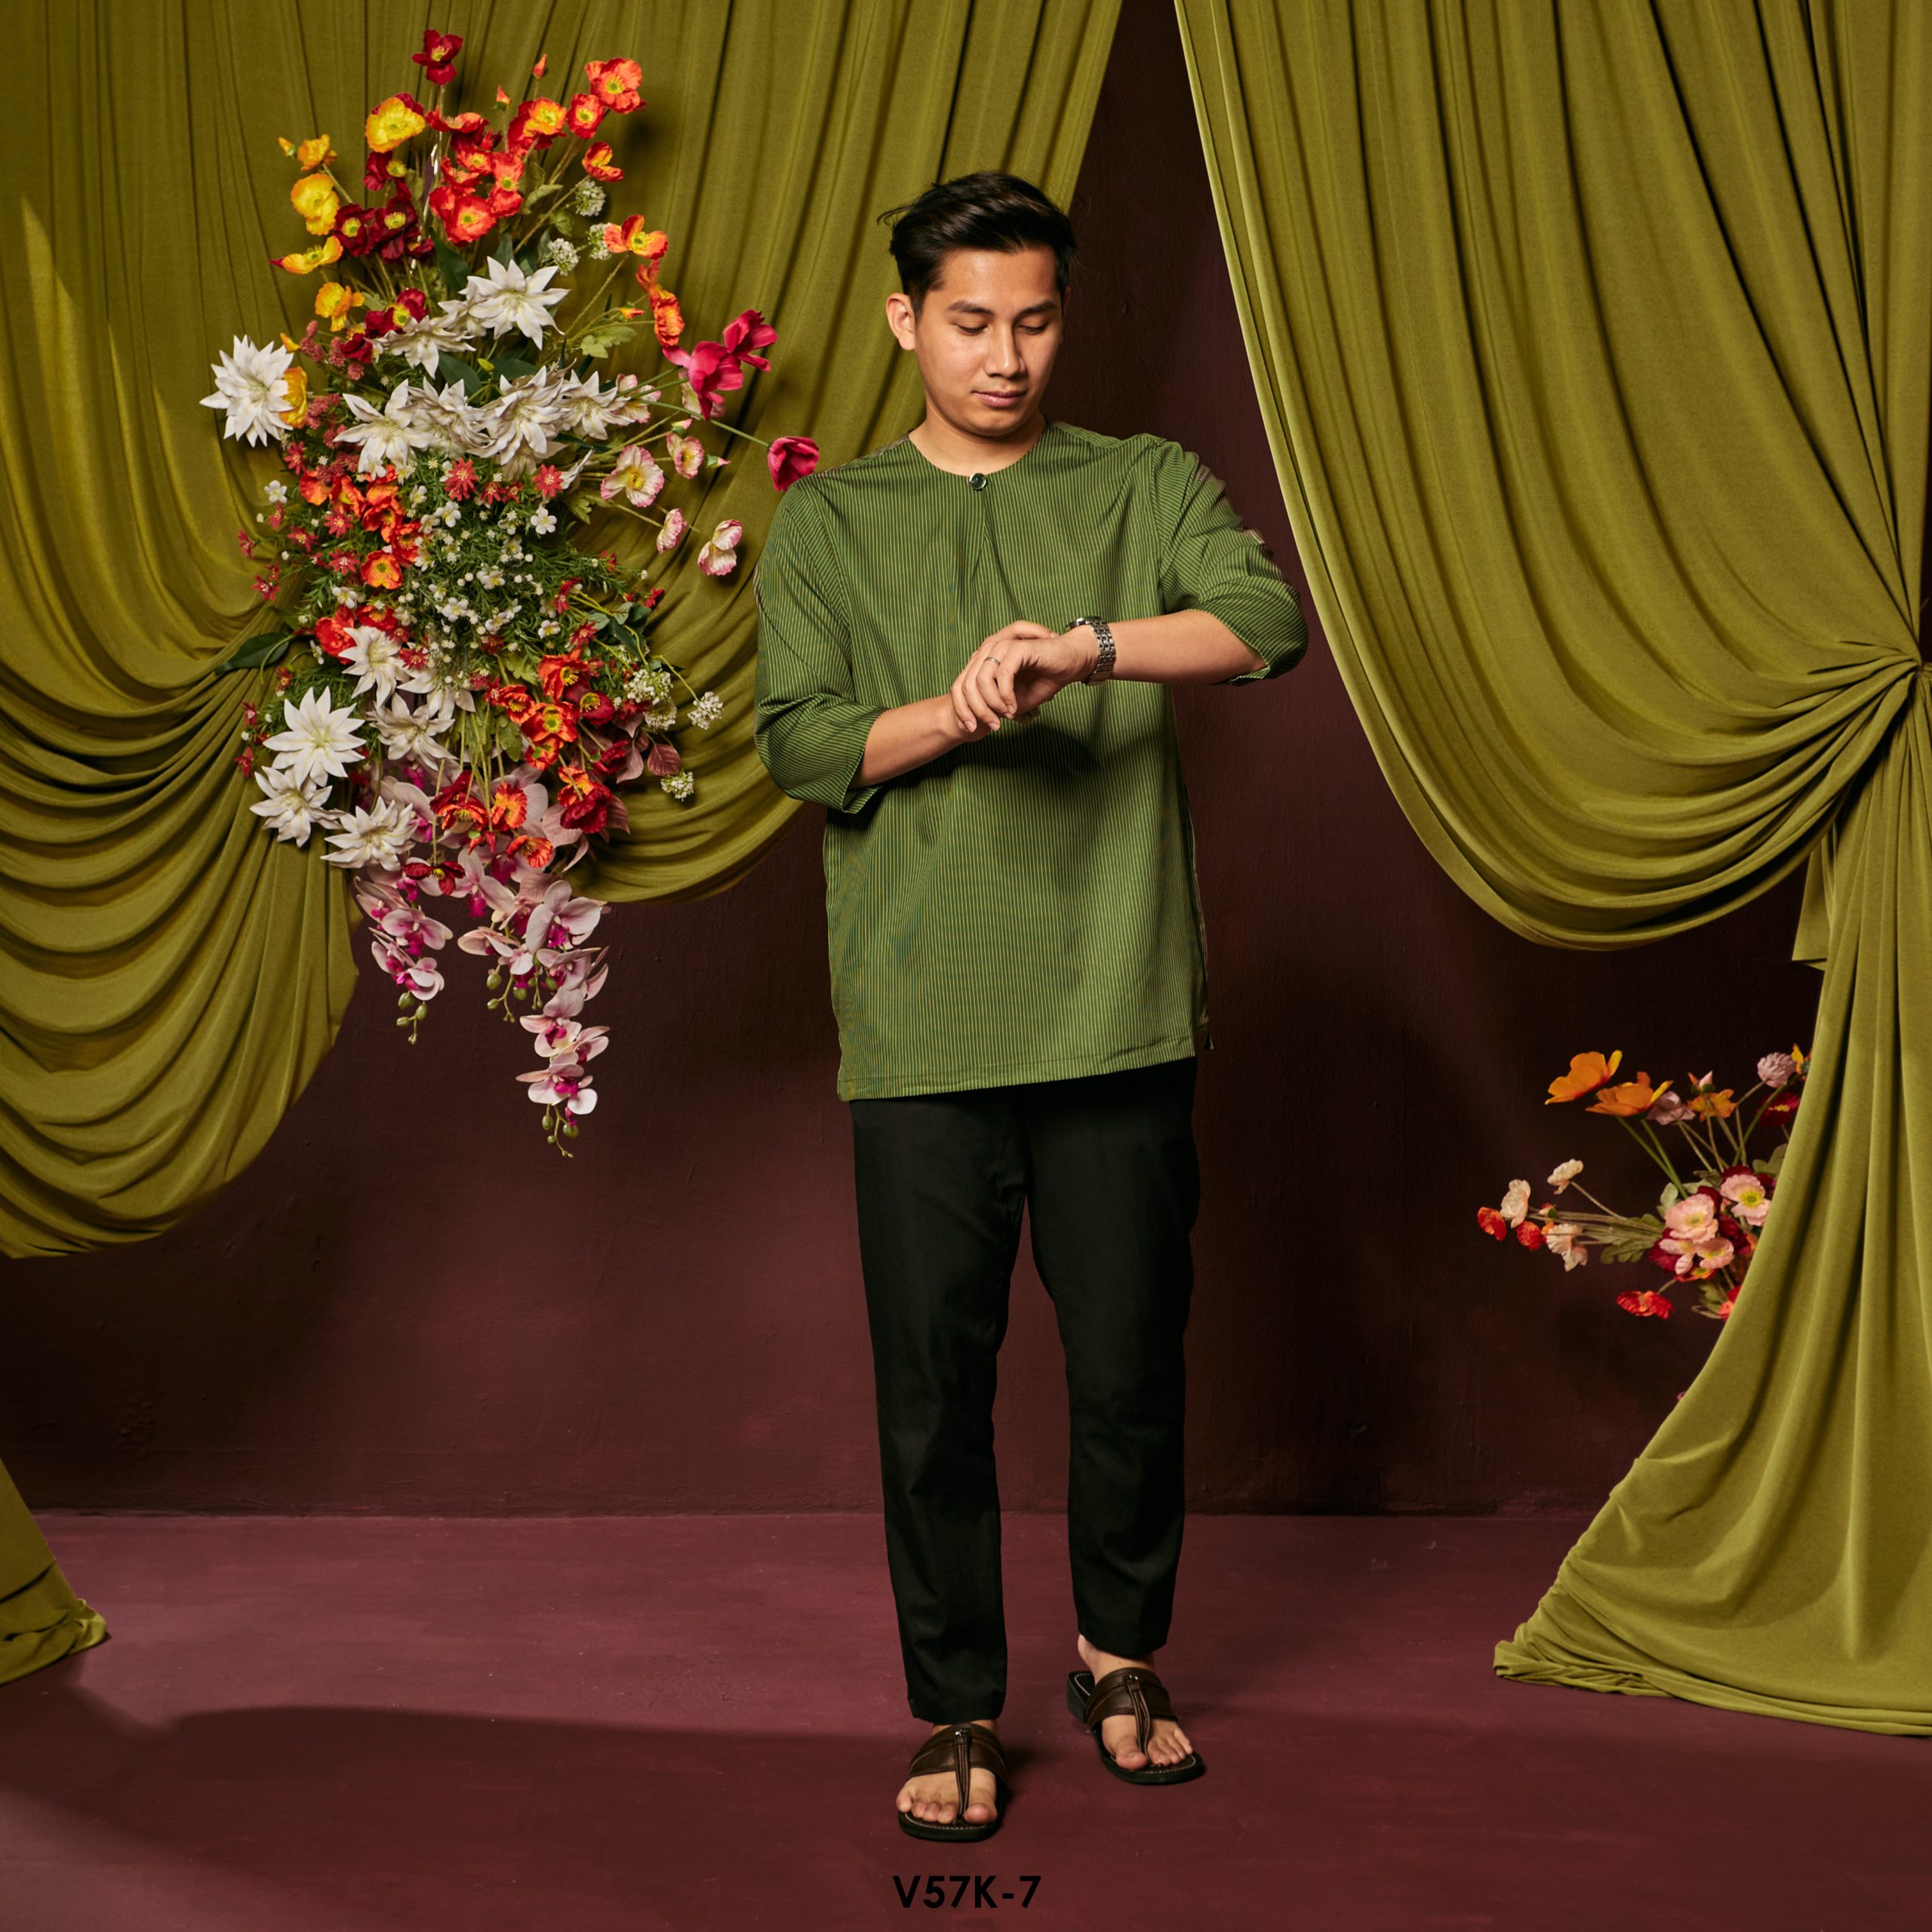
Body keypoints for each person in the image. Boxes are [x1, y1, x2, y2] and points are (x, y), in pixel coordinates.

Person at [751, 171, 1307, 1841]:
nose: (1005, 356)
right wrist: (959, 706)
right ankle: (955, 1702)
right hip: (921, 1022)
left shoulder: (1141, 483)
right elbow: (802, 742)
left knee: (1129, 1365)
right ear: (905, 320)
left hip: (1114, 1007)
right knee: (934, 1388)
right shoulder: (833, 521)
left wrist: (1083, 647)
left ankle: (1119, 1656)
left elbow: (1264, 623)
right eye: (972, 322)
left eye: (1036, 320)